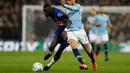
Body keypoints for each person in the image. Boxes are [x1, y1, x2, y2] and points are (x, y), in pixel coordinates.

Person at [61, 0, 97, 71]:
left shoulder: (78, 6)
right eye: (68, 0)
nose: (69, 1)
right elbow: (66, 21)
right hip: (71, 32)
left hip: (80, 31)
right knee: (74, 47)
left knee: (88, 51)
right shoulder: (66, 11)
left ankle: (93, 61)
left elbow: (73, 9)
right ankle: (82, 63)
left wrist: (64, 5)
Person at [43, 3, 71, 70]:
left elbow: (69, 22)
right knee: (52, 46)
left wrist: (65, 31)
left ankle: (49, 66)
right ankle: (50, 52)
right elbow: (47, 14)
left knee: (59, 51)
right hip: (59, 30)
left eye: (46, 11)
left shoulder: (57, 13)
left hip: (67, 31)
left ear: (50, 9)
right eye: (44, 11)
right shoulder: (50, 12)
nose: (45, 13)